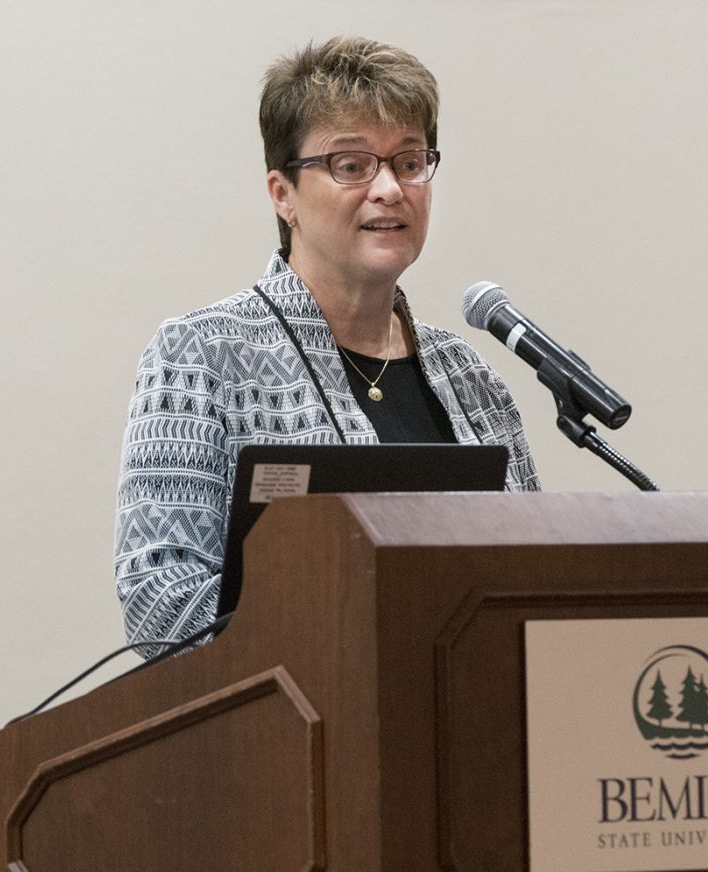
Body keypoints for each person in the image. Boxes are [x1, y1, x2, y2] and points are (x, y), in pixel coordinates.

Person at [113, 37, 540, 655]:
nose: (390, 188)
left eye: (410, 161)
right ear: (282, 193)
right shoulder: (203, 356)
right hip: (294, 735)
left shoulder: (471, 379)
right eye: (351, 165)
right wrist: (349, 620)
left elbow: (528, 576)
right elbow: (160, 600)